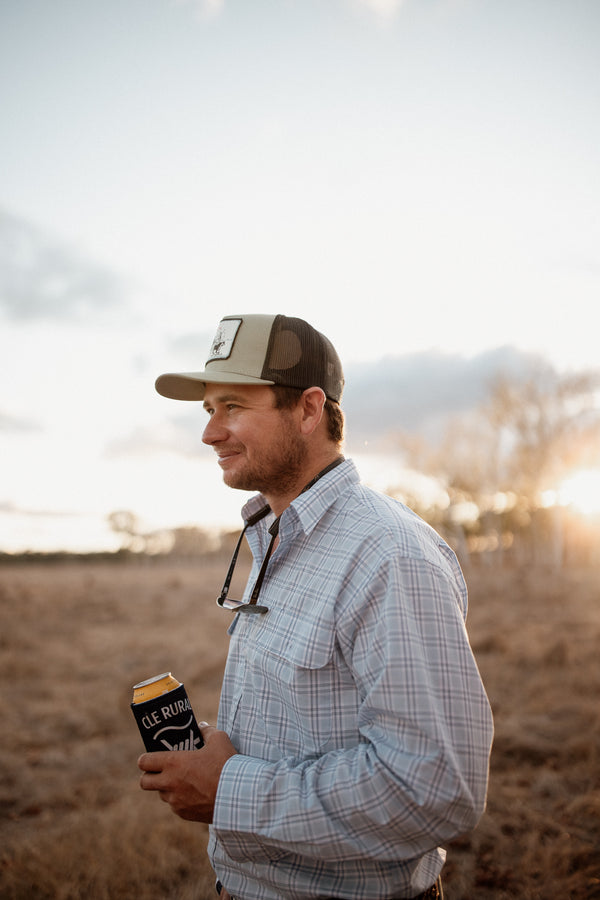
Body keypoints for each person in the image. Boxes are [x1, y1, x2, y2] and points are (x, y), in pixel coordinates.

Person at [138, 314, 493, 900]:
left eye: (233, 407)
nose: (209, 433)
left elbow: (435, 789)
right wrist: (218, 760)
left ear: (308, 410)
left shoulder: (389, 555)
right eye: (208, 410)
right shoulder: (277, 535)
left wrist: (230, 788)